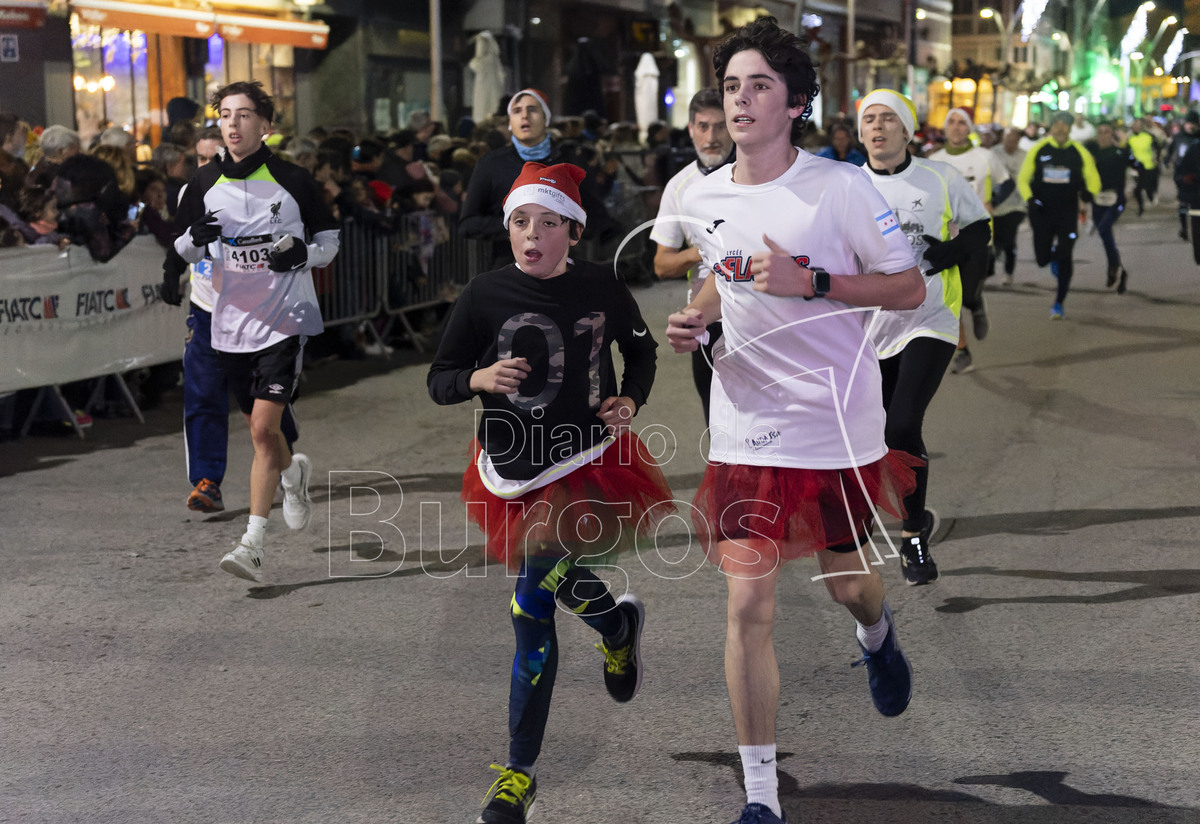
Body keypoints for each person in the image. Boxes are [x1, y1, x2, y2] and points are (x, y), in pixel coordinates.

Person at [665, 19, 925, 824]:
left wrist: (812, 282)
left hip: (832, 426)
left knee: (848, 583)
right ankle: (761, 794)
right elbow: (717, 272)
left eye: (760, 87)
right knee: (748, 605)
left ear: (797, 104)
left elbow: (908, 289)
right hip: (745, 424)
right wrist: (697, 320)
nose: (740, 102)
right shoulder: (703, 193)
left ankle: (878, 637)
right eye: (733, 87)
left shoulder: (842, 188)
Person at [428, 161, 670, 824]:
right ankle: (618, 626)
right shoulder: (483, 295)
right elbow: (440, 377)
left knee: (529, 605)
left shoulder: (600, 286)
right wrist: (479, 378)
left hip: (584, 464)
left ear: (574, 230)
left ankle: (519, 774)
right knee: (560, 584)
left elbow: (642, 351)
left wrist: (630, 397)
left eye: (549, 222)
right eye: (520, 221)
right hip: (509, 467)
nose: (532, 233)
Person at [161, 80, 338, 581]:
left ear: (265, 125)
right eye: (225, 115)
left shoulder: (295, 180)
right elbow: (183, 248)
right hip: (228, 323)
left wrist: (306, 253)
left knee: (263, 430)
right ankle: (294, 474)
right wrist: (193, 242)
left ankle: (253, 543)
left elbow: (329, 238)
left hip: (284, 318)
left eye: (243, 115)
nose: (232, 124)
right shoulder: (201, 183)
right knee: (263, 433)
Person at [650, 88, 734, 426]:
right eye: (703, 127)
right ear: (690, 130)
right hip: (705, 316)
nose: (711, 137)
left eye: (719, 126)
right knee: (716, 418)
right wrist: (702, 250)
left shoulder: (755, 173)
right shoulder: (679, 186)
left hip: (758, 311)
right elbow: (660, 264)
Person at [459, 88, 611, 266]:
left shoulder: (570, 160)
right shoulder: (491, 164)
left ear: (546, 118)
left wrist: (560, 229)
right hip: (509, 272)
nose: (525, 116)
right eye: (517, 111)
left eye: (532, 109)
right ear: (510, 122)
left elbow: (597, 216)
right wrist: (517, 227)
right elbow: (468, 224)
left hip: (563, 272)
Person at [928, 108, 1010, 374]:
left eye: (961, 122)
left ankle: (976, 304)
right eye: (951, 122)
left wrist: (993, 203)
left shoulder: (985, 157)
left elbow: (1007, 183)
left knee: (967, 291)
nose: (956, 127)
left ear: (969, 128)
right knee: (951, 298)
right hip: (947, 238)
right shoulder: (934, 160)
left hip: (977, 236)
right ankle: (962, 351)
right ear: (944, 128)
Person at [1017, 110, 1100, 319]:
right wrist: (1029, 199)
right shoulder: (1039, 149)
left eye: (1065, 124)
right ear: (1051, 127)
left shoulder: (1079, 152)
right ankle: (1051, 257)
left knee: (1066, 256)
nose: (1061, 128)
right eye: (1058, 124)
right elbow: (1023, 179)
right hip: (1041, 212)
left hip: (1067, 212)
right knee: (1042, 259)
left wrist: (1090, 193)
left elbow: (1093, 178)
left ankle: (1058, 303)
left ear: (1070, 129)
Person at [1085, 122, 1130, 293]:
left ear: (1113, 135)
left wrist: (1125, 143)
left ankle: (1113, 266)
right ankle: (1116, 264)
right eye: (1101, 132)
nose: (1104, 135)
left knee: (1104, 229)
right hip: (1098, 199)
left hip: (1116, 198)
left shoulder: (1119, 152)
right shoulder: (1091, 152)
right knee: (1105, 235)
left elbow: (1135, 165)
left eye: (1107, 132)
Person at [990, 127, 1028, 287]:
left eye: (1014, 140)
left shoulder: (1024, 157)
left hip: (1016, 206)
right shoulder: (993, 153)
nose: (1011, 143)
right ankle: (988, 270)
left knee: (1009, 239)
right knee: (994, 240)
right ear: (1003, 139)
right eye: (1008, 139)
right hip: (994, 204)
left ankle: (1008, 272)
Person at [1169, 111, 1200, 241]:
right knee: (1183, 204)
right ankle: (1184, 228)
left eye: (1194, 124)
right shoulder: (1179, 137)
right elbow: (1172, 151)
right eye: (1189, 123)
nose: (1191, 126)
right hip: (1184, 176)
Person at [1125, 117, 1159, 215]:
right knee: (1137, 190)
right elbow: (1128, 153)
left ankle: (1151, 197)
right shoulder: (1130, 138)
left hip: (1149, 166)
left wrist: (1155, 159)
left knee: (1147, 187)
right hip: (1137, 167)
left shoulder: (1149, 136)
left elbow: (1156, 148)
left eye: (1139, 125)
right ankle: (1141, 207)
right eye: (1135, 125)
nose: (1137, 127)